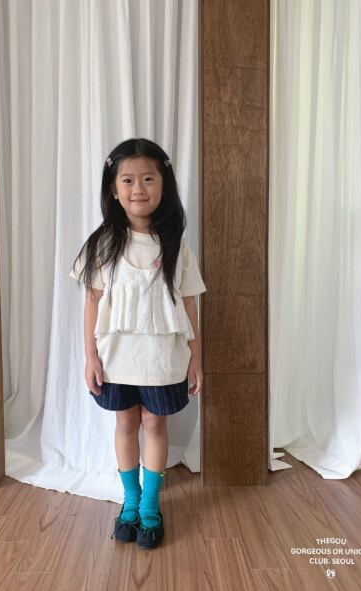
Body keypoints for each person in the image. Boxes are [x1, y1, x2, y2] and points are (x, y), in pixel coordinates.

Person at [70, 137, 207, 549]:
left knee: (155, 423)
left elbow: (189, 303)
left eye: (148, 178)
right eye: (127, 180)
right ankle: (129, 502)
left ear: (164, 184)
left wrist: (196, 358)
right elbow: (92, 303)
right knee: (126, 423)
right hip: (116, 358)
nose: (138, 188)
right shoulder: (102, 244)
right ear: (114, 189)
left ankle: (150, 505)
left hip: (162, 358)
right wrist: (90, 356)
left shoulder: (176, 244)